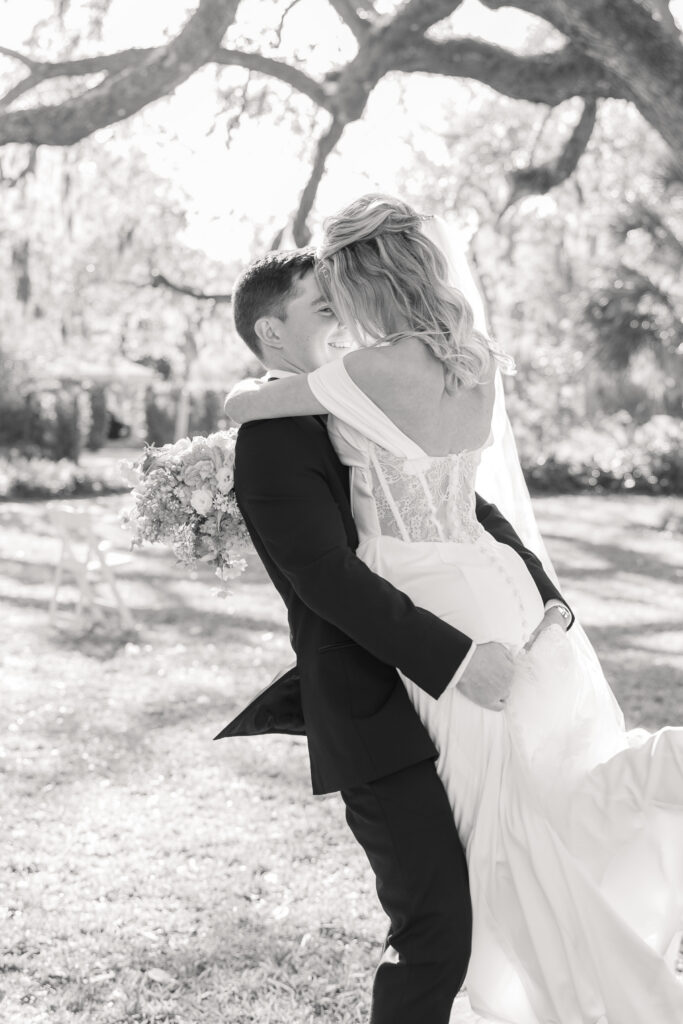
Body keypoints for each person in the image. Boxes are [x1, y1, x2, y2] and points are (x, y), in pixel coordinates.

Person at [224, 195, 683, 1023]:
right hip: (497, 583)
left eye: (334, 288)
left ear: (364, 282)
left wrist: (243, 410)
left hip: (433, 603)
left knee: (503, 825)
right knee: (551, 781)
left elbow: (240, 408)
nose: (332, 307)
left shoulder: (358, 377)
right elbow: (467, 494)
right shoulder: (473, 357)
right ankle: (661, 770)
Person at [214, 246, 572, 1024]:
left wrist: (545, 593)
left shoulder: (364, 397)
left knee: (513, 884)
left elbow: (460, 503)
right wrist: (455, 663)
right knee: (436, 928)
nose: (342, 318)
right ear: (272, 334)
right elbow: (325, 579)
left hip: (463, 695)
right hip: (378, 709)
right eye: (321, 309)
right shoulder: (274, 437)